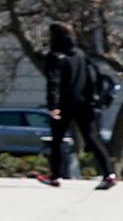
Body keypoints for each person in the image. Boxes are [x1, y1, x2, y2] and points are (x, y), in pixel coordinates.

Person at [39, 23, 114, 189]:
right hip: (84, 103)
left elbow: (54, 83)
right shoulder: (80, 54)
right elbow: (90, 78)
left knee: (57, 140)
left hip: (64, 104)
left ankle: (55, 175)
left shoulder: (55, 56)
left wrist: (53, 105)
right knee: (93, 139)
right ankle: (109, 174)